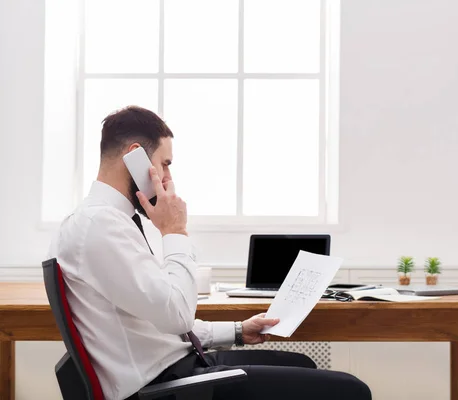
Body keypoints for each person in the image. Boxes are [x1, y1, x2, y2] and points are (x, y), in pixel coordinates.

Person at [48, 105, 371, 400]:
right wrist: (175, 232)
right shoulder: (99, 226)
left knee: (303, 364)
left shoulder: (111, 221)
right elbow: (176, 314)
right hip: (164, 386)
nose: (168, 178)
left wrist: (237, 331)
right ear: (135, 157)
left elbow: (160, 320)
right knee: (351, 391)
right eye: (165, 164)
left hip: (176, 366)